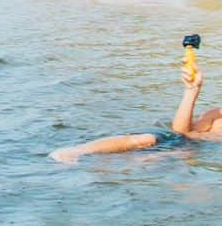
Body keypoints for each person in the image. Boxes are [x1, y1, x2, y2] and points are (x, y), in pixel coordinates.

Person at [50, 62, 222, 163]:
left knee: (146, 163)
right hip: (174, 139)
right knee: (145, 139)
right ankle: (78, 151)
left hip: (185, 151)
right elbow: (182, 132)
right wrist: (192, 91)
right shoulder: (217, 114)